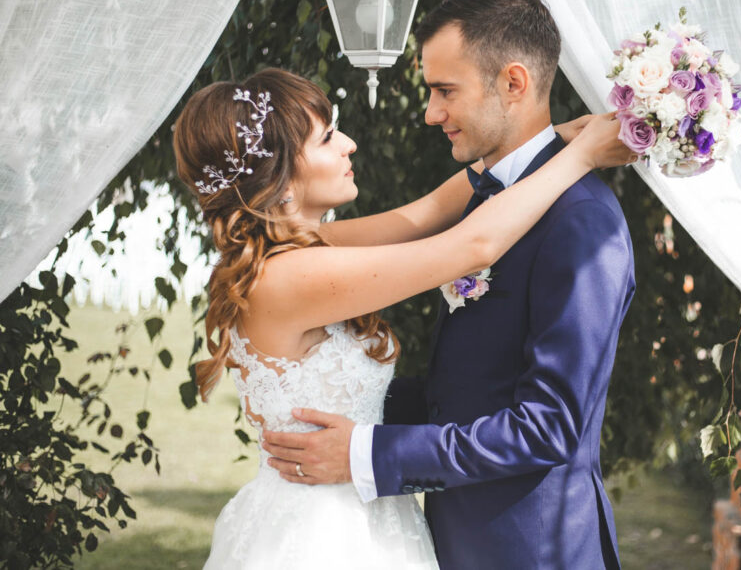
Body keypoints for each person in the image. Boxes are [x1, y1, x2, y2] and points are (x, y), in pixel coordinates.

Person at [173, 63, 631, 568]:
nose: (348, 143)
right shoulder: (288, 278)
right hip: (323, 534)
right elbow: (472, 246)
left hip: (363, 515)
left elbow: (428, 211)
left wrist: (551, 142)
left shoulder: (296, 251)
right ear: (280, 175)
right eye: (327, 138)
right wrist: (582, 158)